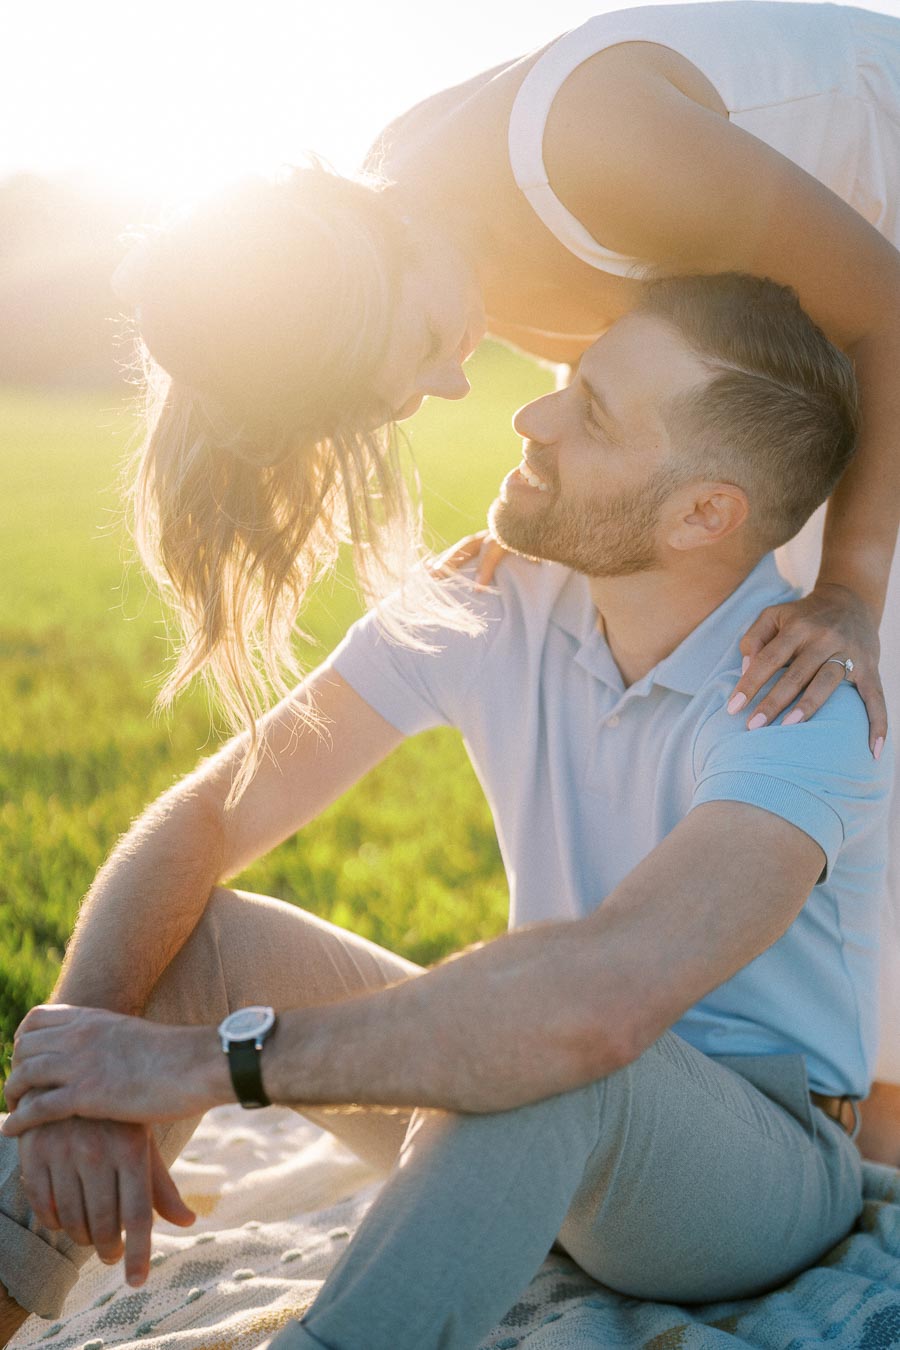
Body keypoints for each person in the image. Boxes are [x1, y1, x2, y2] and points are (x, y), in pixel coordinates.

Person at [0, 275, 891, 1349]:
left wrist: (193, 1066)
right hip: (526, 1075)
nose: (531, 417)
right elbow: (207, 818)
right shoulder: (489, 597)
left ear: (705, 512)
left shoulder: (799, 697)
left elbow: (599, 1006)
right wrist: (83, 1064)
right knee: (207, 935)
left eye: (592, 413)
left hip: (757, 1166)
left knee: (555, 1054)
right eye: (571, 381)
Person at [114, 2, 900, 1146]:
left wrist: (854, 586)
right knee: (755, 663)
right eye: (416, 381)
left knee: (841, 683)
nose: (447, 389)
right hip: (823, 335)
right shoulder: (417, 225)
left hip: (883, 294)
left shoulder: (598, 152)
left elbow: (885, 309)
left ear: (382, 265)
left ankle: (858, 1136)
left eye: (429, 347)